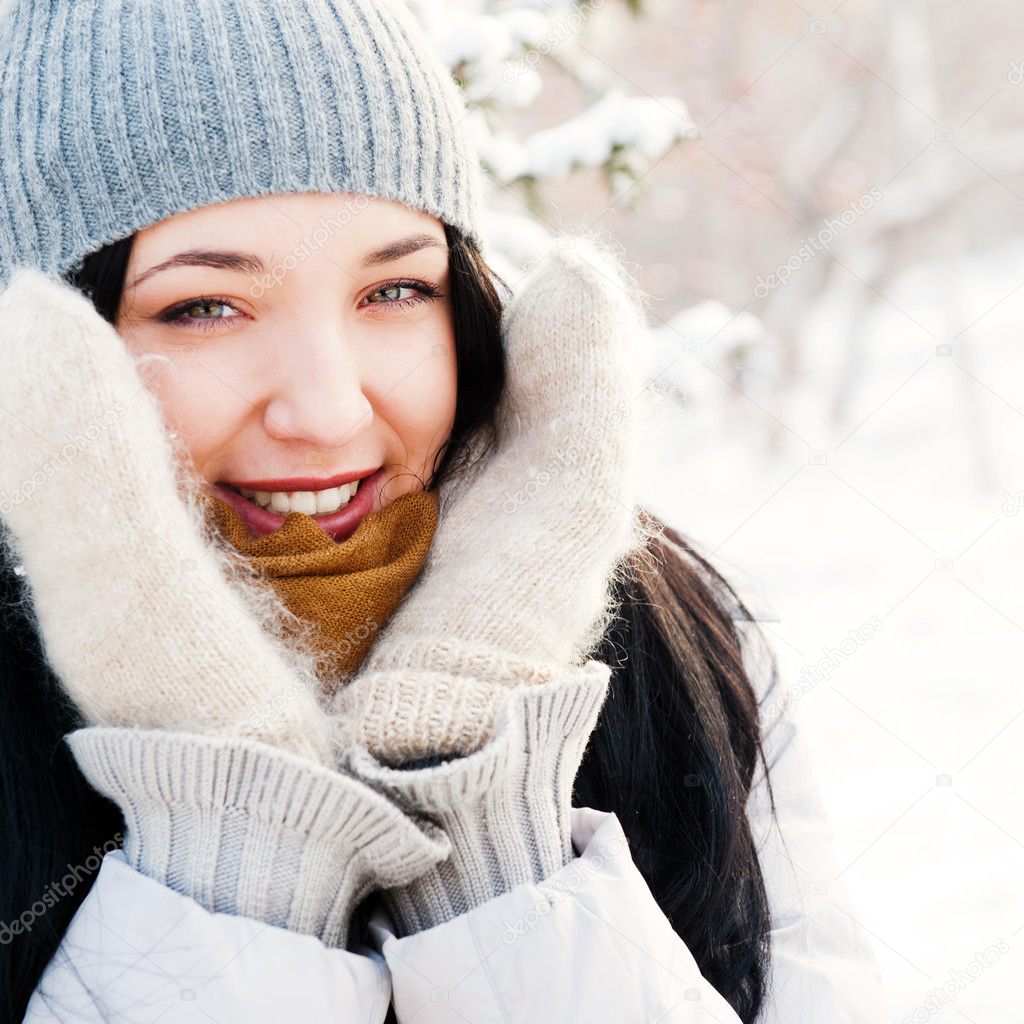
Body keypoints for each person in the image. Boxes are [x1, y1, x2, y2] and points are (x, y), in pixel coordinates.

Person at [0, 0, 889, 1021]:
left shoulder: (674, 645)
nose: (328, 410)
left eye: (393, 292)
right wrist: (231, 841)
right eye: (205, 306)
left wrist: (482, 804)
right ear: (45, 348)